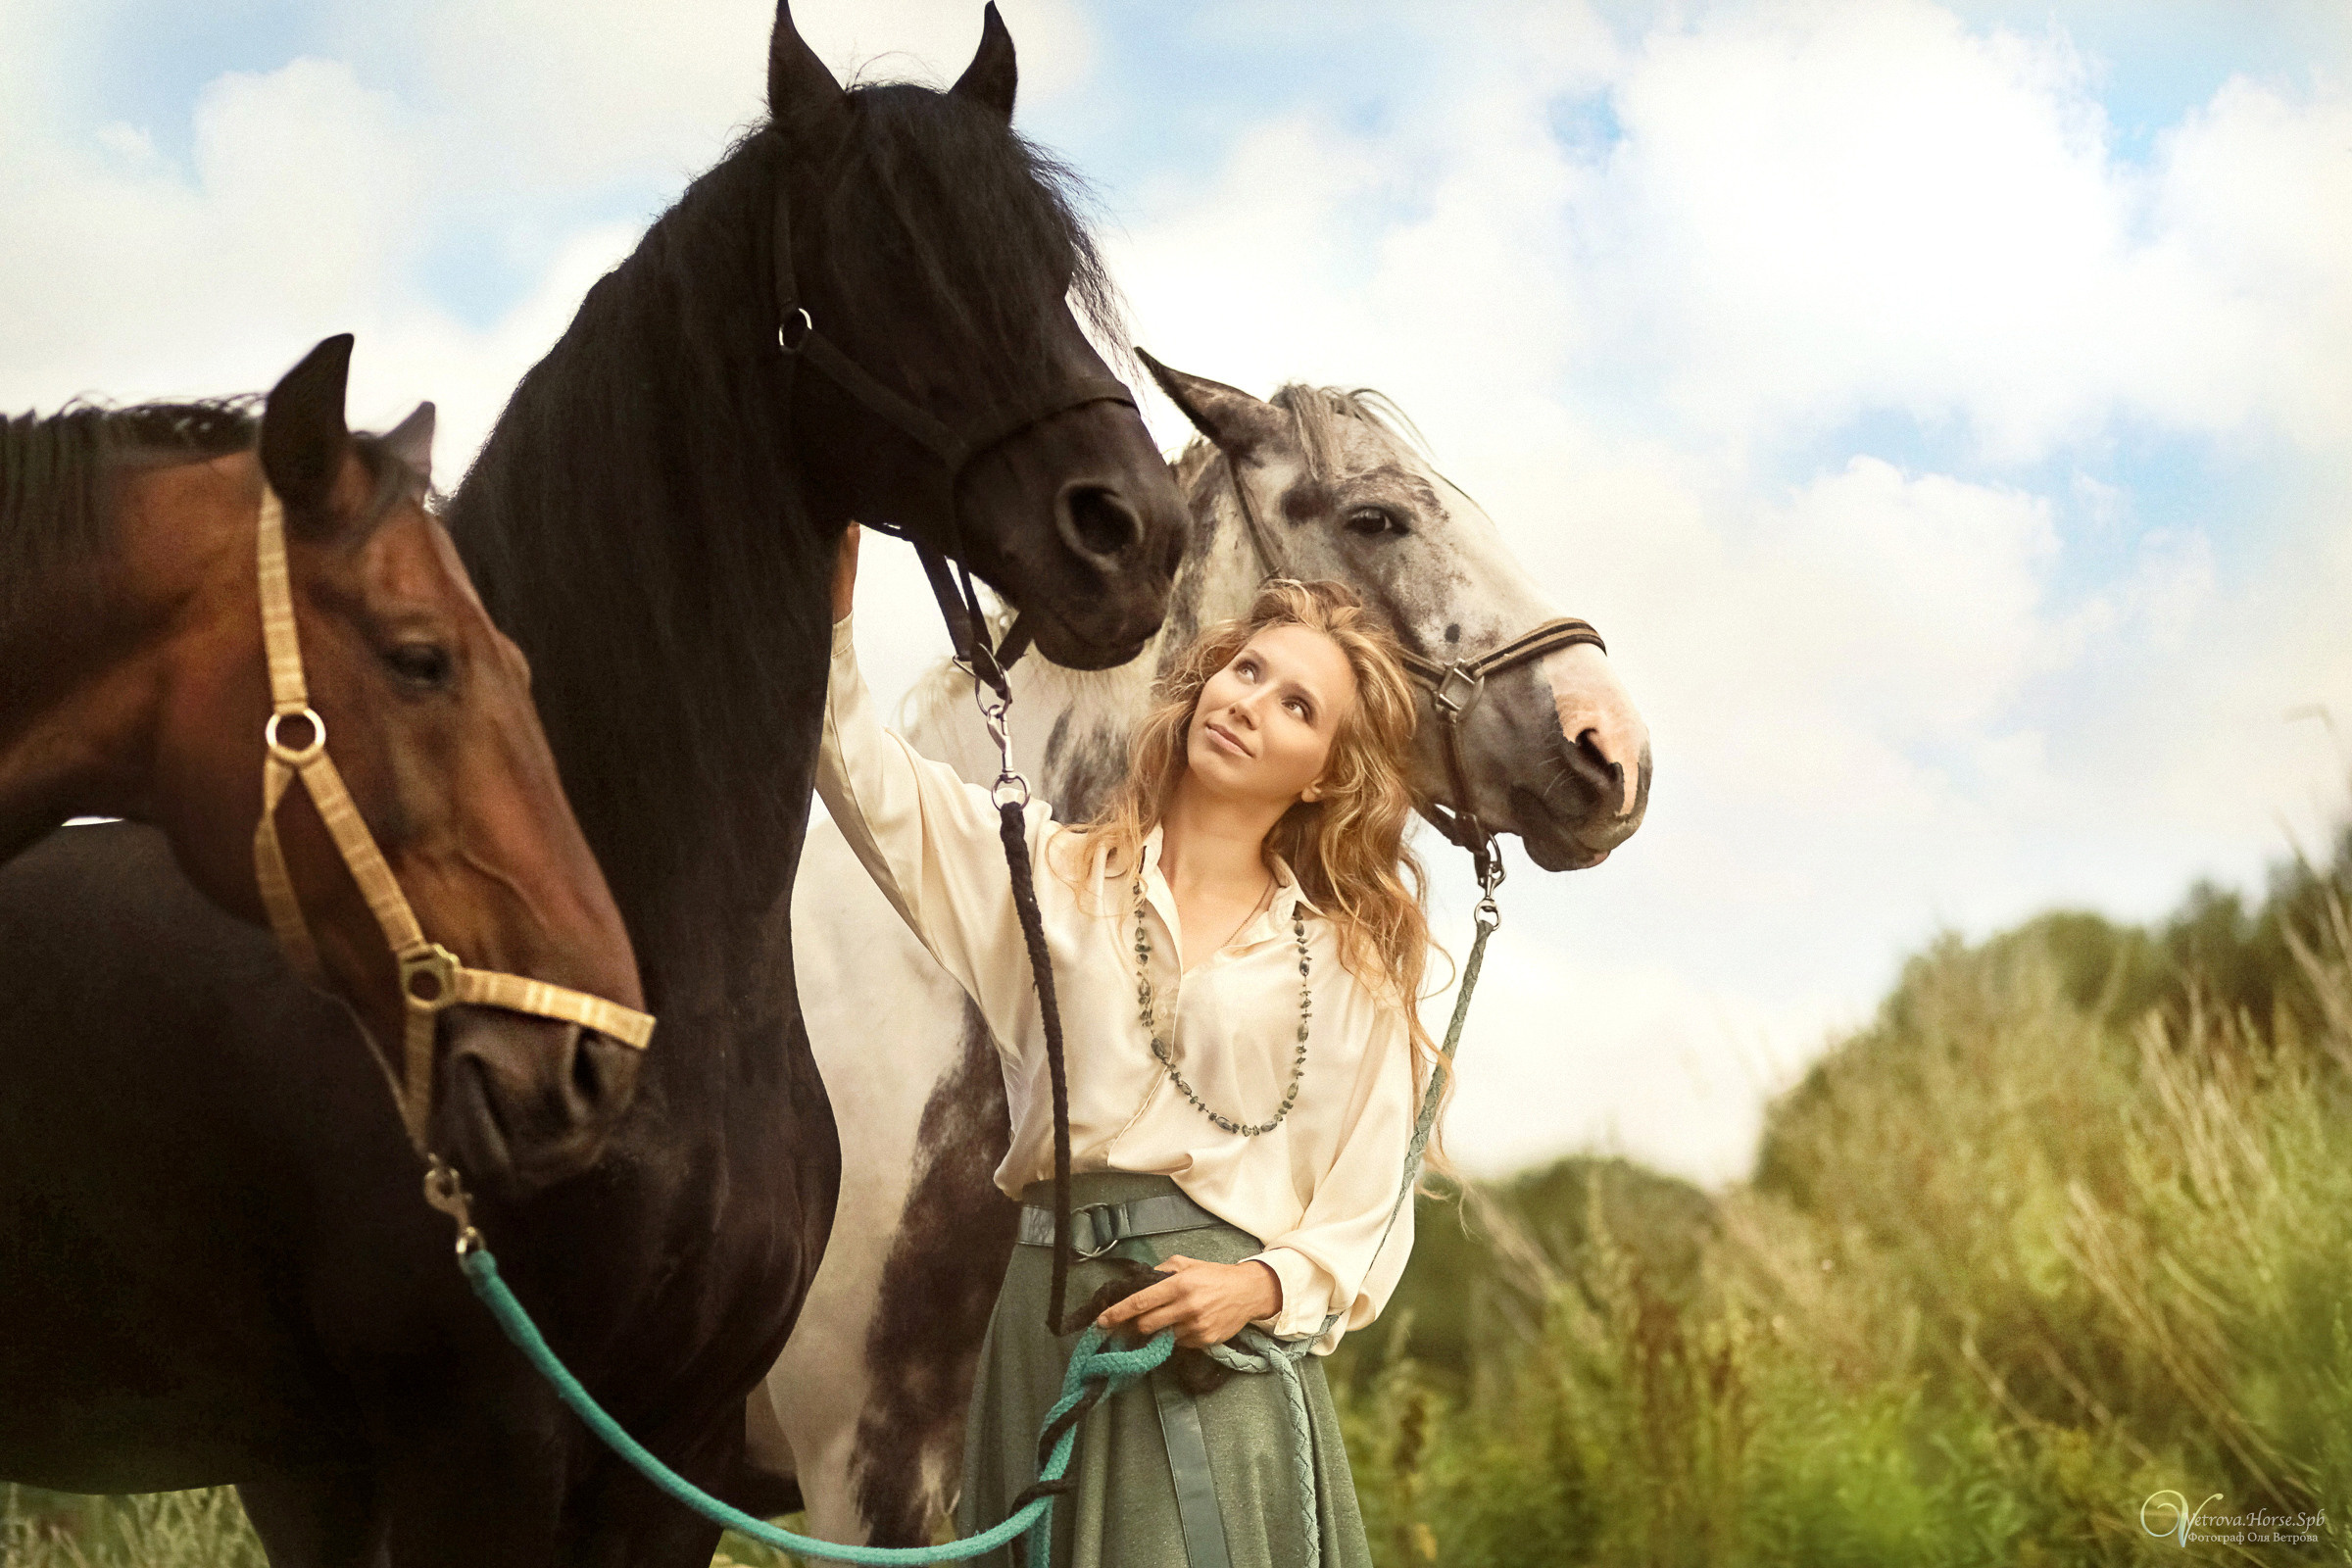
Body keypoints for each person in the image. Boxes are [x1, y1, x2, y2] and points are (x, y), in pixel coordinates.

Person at [817, 521, 1441, 1568]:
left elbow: (1370, 1210)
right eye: (1247, 669)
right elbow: (867, 782)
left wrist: (1260, 1286)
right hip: (1052, 1332)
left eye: (1297, 705)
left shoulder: (1349, 963)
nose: (1249, 701)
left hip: (1226, 1360)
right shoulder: (1049, 882)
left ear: (1327, 775)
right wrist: (832, 613)